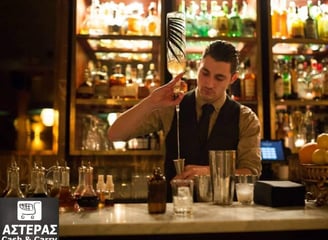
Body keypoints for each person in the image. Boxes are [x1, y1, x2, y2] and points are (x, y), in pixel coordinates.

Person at [108, 40, 262, 201]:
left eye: (219, 78)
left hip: (225, 216)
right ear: (197, 67)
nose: (209, 83)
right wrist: (151, 101)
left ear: (233, 79)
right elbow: (115, 134)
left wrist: (208, 172)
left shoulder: (245, 118)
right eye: (205, 73)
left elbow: (251, 173)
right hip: (174, 211)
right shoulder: (172, 107)